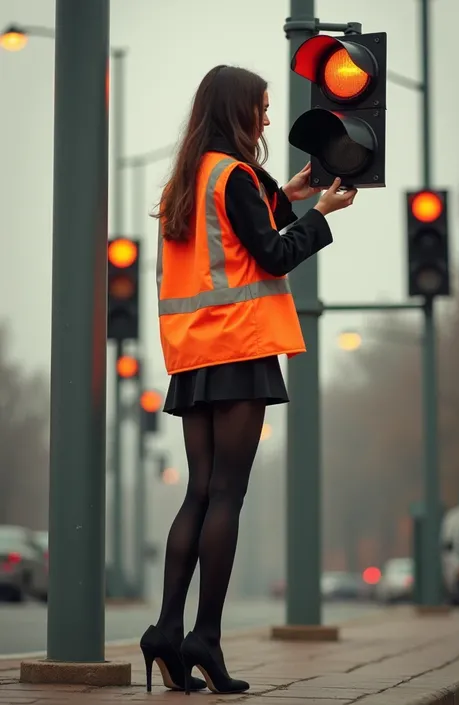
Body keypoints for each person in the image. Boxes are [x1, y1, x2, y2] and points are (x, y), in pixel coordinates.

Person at [140, 65, 357, 695]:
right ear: (238, 110)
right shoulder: (234, 176)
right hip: (239, 346)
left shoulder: (192, 176)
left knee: (199, 493)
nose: (267, 118)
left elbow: (235, 238)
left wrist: (286, 197)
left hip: (195, 352)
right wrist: (319, 214)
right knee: (227, 496)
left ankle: (165, 630)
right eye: (261, 108)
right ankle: (204, 637)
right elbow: (271, 253)